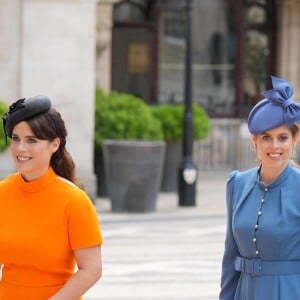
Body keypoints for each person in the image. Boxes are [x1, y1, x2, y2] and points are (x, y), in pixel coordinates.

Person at [0, 95, 103, 299]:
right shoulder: (3, 193)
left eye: (31, 140)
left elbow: (91, 270)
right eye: (16, 138)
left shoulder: (75, 201)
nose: (20, 148)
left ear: (54, 144)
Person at [219, 76, 300, 300]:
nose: (275, 146)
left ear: (295, 139)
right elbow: (230, 256)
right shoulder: (237, 184)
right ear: (254, 141)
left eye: (282, 138)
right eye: (266, 138)